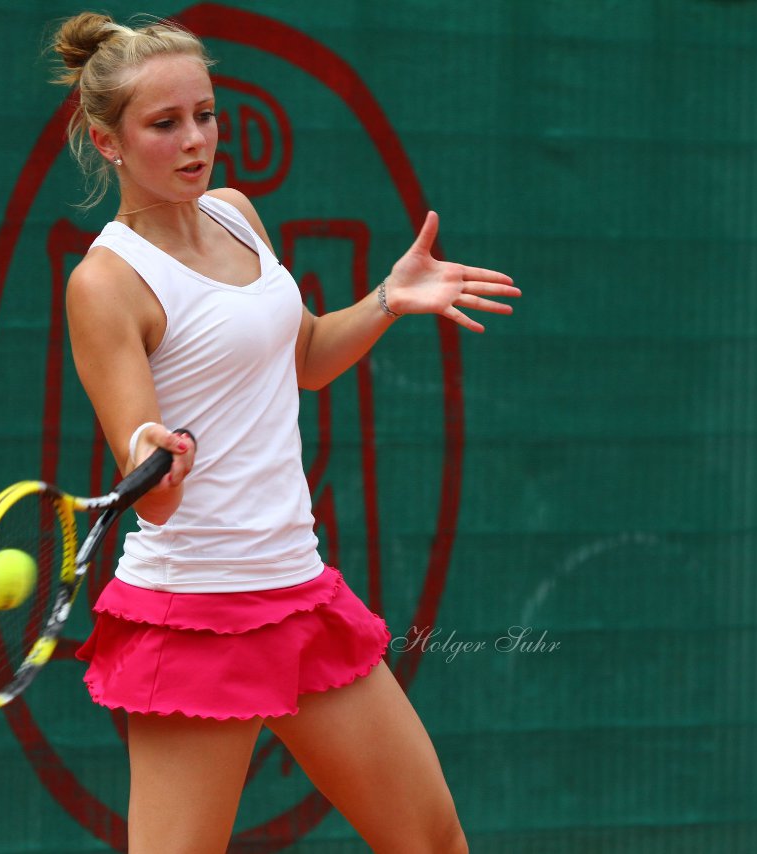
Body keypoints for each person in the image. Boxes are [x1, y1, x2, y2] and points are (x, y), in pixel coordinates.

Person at [50, 12, 518, 854]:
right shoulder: (106, 282)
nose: (196, 141)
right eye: (165, 124)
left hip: (298, 593)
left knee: (434, 842)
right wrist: (160, 466)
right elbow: (143, 480)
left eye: (205, 114)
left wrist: (385, 300)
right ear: (107, 141)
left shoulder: (235, 213)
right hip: (191, 614)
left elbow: (301, 358)